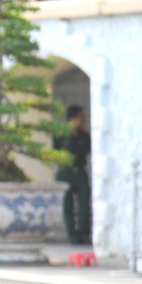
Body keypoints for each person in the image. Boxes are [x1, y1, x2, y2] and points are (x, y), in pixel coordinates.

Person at [55, 104, 91, 245]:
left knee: (84, 205)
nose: (81, 120)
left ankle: (84, 235)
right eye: (79, 117)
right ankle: (73, 236)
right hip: (65, 172)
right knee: (67, 206)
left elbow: (89, 150)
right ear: (72, 118)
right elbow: (56, 152)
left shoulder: (84, 135)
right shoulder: (60, 134)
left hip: (80, 172)